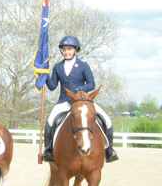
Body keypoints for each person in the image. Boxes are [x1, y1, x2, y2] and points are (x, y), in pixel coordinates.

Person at [43, 35, 118, 163]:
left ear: (75, 50)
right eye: (64, 49)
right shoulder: (58, 67)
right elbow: (52, 86)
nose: (66, 52)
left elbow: (91, 84)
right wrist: (44, 76)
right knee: (50, 122)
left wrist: (80, 89)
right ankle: (49, 149)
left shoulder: (83, 65)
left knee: (106, 119)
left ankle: (109, 150)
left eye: (69, 49)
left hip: (82, 101)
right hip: (64, 101)